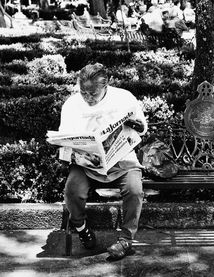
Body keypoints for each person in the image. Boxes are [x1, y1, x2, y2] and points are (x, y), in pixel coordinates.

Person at [59, 63, 148, 260]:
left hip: (122, 159)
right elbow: (65, 138)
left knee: (135, 190)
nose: (88, 97)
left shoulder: (124, 97)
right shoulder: (71, 105)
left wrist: (136, 125)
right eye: (84, 92)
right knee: (72, 190)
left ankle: (126, 239)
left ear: (106, 87)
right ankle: (82, 229)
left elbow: (142, 129)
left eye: (93, 94)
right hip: (86, 164)